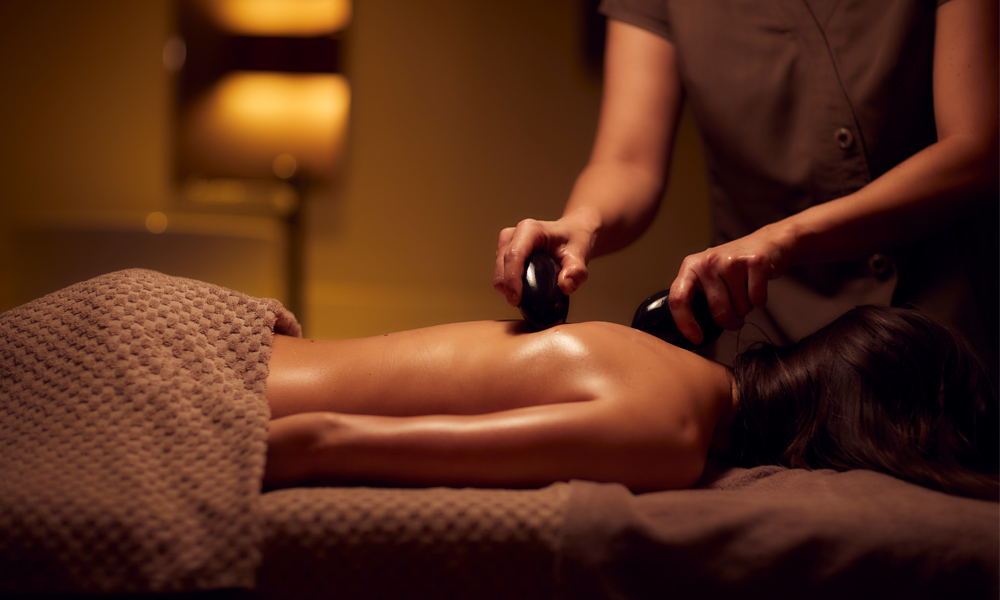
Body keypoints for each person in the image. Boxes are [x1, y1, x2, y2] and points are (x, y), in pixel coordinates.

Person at [493, 0, 998, 360]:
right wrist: (581, 223)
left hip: (958, 339)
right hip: (771, 361)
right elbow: (628, 163)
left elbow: (976, 150)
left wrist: (783, 240)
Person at [263, 305, 999, 501]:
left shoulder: (675, 371)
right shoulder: (668, 434)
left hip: (241, 344)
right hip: (213, 377)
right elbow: (322, 440)